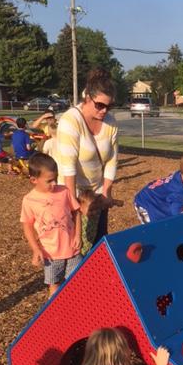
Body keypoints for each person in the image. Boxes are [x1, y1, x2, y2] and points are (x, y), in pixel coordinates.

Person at [55, 68, 122, 243]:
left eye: (109, 106)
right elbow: (68, 169)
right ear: (87, 98)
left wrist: (106, 193)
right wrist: (74, 206)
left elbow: (111, 161)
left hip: (97, 192)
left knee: (99, 241)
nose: (104, 111)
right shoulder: (70, 121)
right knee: (76, 245)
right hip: (73, 191)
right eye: (100, 105)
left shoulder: (111, 123)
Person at [20, 153, 81, 297]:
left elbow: (76, 212)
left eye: (56, 179)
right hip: (50, 253)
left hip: (72, 249)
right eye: (49, 181)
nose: (54, 183)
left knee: (77, 281)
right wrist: (35, 249)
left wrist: (78, 235)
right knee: (55, 284)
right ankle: (56, 308)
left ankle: (75, 305)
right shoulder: (29, 200)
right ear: (34, 180)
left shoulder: (64, 191)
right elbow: (27, 226)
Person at [133, 150, 183, 223]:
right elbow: (178, 214)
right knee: (154, 228)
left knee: (167, 221)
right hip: (146, 203)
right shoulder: (178, 191)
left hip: (161, 200)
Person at [78, 188, 103, 256]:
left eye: (95, 209)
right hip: (80, 249)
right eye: (91, 210)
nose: (94, 212)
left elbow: (104, 204)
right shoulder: (80, 217)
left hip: (90, 246)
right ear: (80, 207)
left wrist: (116, 202)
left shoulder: (97, 214)